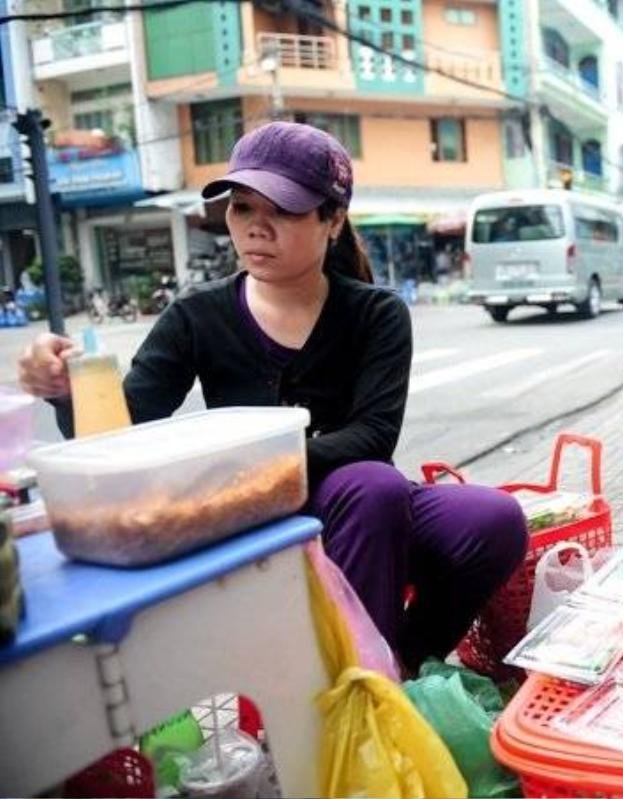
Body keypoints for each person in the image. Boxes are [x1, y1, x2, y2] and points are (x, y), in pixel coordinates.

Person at [17, 122, 528, 674]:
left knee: (491, 518)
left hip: (352, 499)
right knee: (374, 484)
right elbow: (120, 435)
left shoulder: (376, 314)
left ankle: (396, 667)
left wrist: (254, 460)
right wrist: (65, 393)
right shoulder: (196, 316)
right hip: (247, 510)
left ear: (332, 221)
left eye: (283, 211)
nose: (256, 228)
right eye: (242, 208)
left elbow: (372, 436)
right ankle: (362, 686)